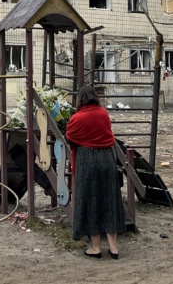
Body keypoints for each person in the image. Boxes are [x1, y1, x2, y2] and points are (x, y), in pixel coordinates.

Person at [65, 85, 124, 260]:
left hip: (87, 161)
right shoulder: (103, 114)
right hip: (107, 159)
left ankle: (96, 247)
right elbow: (109, 135)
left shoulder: (77, 118)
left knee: (91, 201)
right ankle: (114, 247)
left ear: (81, 99)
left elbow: (70, 136)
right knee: (109, 200)